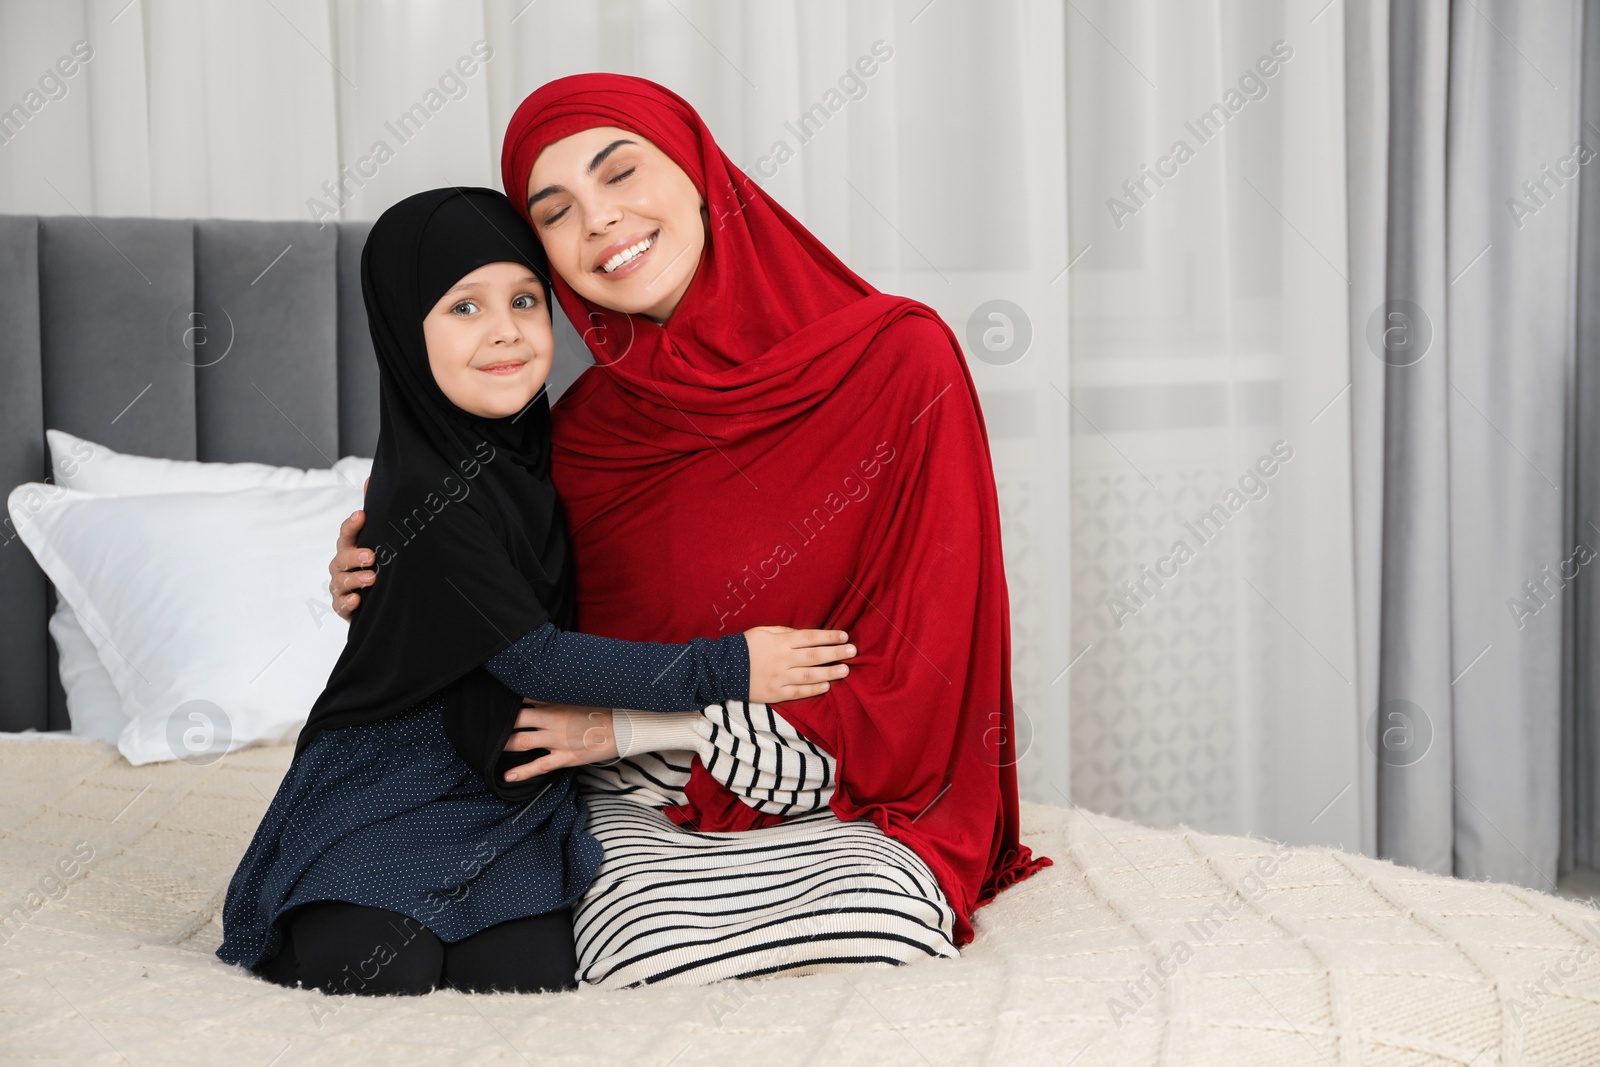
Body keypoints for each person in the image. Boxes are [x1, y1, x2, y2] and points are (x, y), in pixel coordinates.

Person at [329, 74, 1053, 988]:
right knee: (606, 934)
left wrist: (631, 726)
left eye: (621, 171)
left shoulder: (901, 359)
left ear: (700, 170)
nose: (599, 221)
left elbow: (933, 657)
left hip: (839, 780)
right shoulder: (583, 430)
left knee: (879, 912)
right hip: (640, 788)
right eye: (556, 212)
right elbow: (507, 605)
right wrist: (386, 574)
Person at [217, 185, 856, 996]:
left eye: (524, 298)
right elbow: (538, 661)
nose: (507, 331)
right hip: (393, 784)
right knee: (382, 976)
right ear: (403, 335)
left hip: (510, 793)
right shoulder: (424, 491)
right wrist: (731, 667)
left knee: (528, 989)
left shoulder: (553, 457)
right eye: (463, 308)